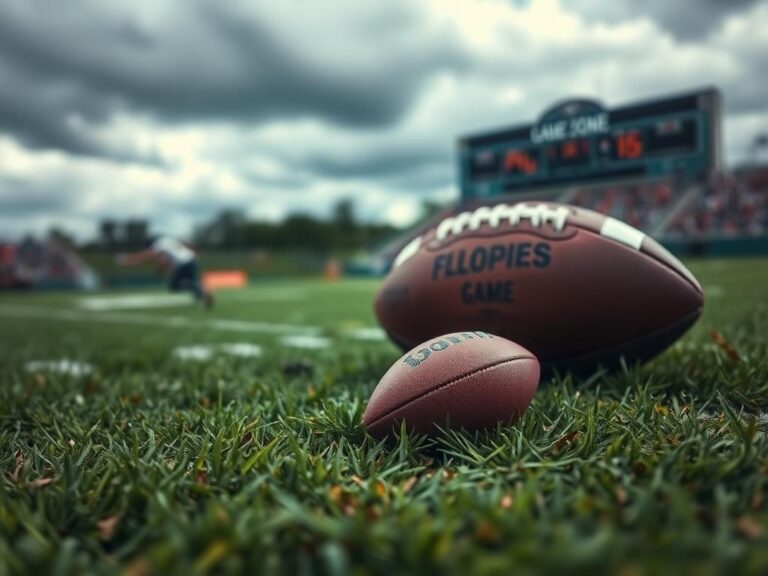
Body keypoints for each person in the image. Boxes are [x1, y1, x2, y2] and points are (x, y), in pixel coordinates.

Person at [117, 236, 214, 309]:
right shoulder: (167, 240)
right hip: (192, 259)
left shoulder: (158, 245)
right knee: (190, 281)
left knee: (174, 286)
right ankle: (202, 295)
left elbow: (162, 260)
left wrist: (160, 270)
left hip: (183, 262)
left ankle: (200, 291)